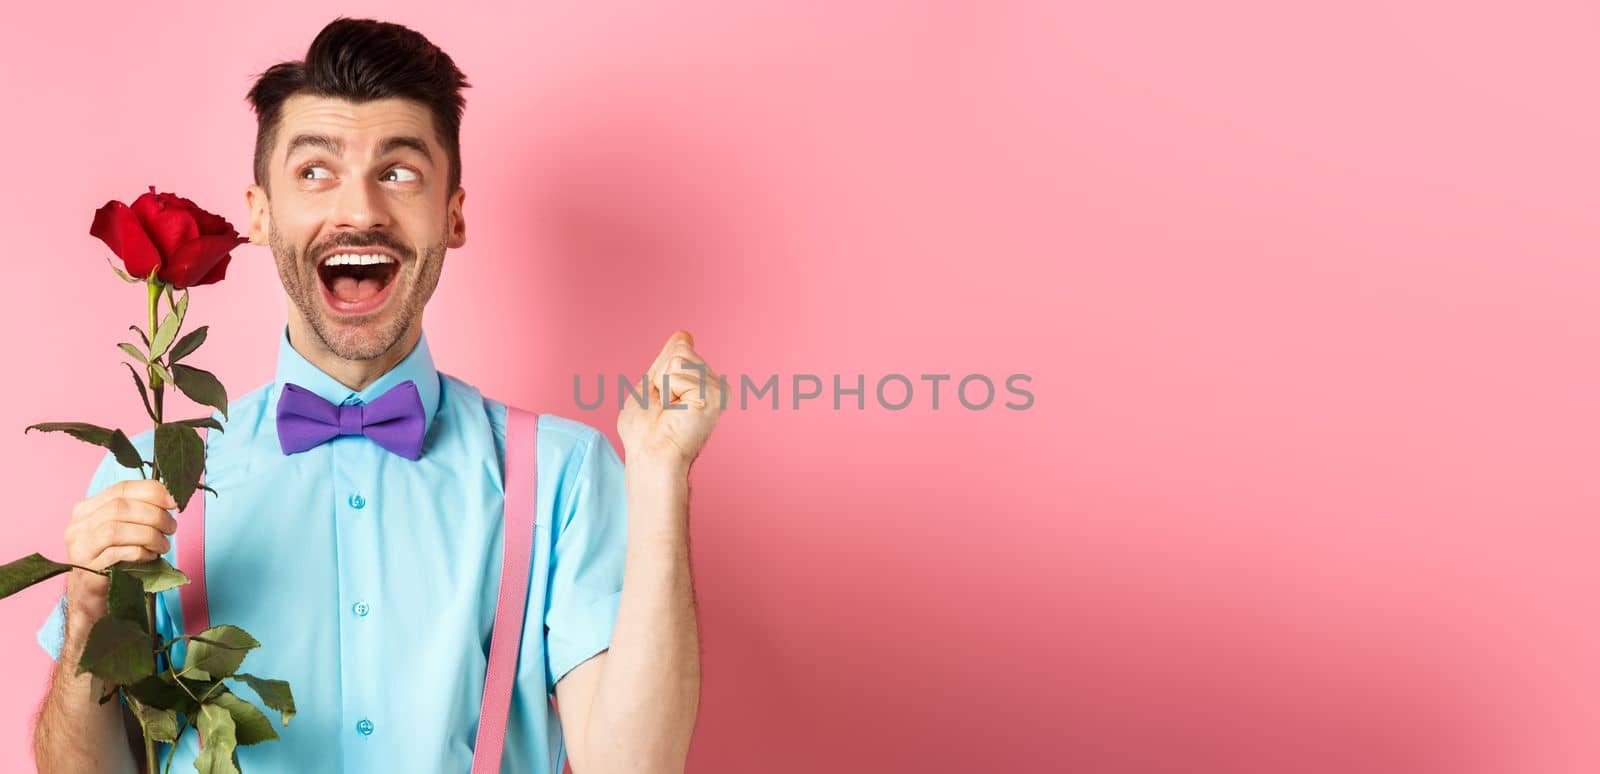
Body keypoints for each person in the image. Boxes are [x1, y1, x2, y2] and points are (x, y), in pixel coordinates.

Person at [31, 16, 721, 774]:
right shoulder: (151, 478)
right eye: (315, 173)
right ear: (260, 214)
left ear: (452, 215)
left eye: (398, 172)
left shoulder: (564, 476)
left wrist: (660, 480)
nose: (359, 211)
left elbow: (634, 766)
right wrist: (89, 616)